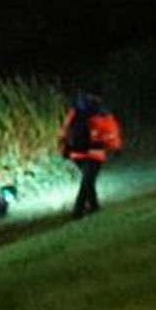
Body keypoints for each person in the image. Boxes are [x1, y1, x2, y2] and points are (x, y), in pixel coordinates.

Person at [57, 91, 122, 219]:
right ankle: (78, 210)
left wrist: (63, 149)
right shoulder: (102, 113)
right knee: (88, 181)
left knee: (88, 180)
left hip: (76, 153)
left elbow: (64, 131)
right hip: (95, 153)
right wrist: (116, 147)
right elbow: (110, 132)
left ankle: (93, 206)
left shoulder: (75, 111)